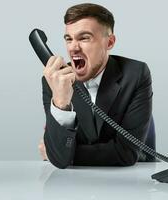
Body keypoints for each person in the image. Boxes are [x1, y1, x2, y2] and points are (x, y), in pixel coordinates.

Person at [41, 3, 153, 168]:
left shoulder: (136, 74)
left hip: (132, 180)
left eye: (84, 38)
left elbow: (126, 153)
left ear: (109, 42)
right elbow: (59, 159)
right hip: (74, 186)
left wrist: (65, 155)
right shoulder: (54, 81)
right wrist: (60, 102)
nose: (73, 48)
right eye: (68, 39)